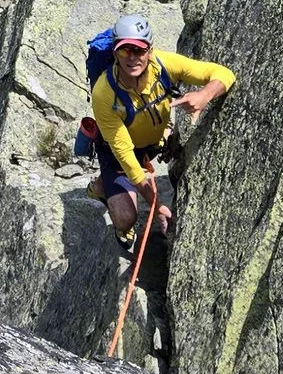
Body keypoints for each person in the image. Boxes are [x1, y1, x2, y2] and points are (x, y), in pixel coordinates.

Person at [87, 13, 234, 248]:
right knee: (126, 217)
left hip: (152, 144)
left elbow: (224, 73)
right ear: (115, 52)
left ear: (150, 50)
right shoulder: (104, 94)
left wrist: (204, 95)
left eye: (139, 50)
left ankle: (103, 186)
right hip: (116, 154)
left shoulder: (164, 65)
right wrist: (157, 207)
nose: (132, 58)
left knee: (118, 183)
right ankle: (103, 191)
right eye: (125, 50)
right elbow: (126, 158)